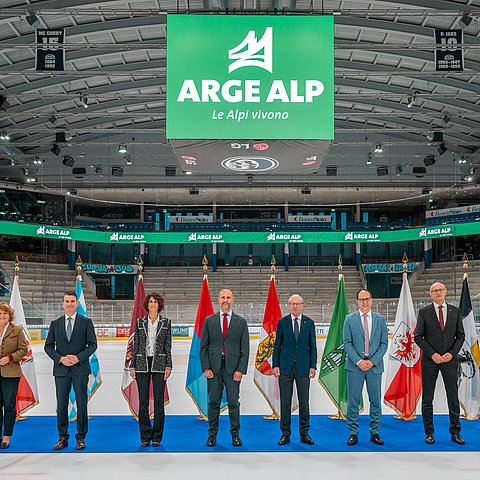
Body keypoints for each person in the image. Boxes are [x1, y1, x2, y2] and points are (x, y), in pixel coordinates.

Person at [44, 291, 97, 450]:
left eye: (72, 301)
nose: (69, 304)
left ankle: (81, 437)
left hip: (80, 369)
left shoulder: (86, 322)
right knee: (61, 405)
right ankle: (62, 437)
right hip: (61, 370)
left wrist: (78, 357)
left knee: (82, 404)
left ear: (77, 303)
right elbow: (48, 347)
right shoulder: (55, 323)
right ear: (62, 304)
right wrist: (60, 358)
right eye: (66, 301)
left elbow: (93, 345)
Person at [414, 282, 465, 445]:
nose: (438, 292)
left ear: (446, 291)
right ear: (430, 294)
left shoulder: (455, 312)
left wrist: (451, 353)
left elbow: (460, 336)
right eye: (434, 290)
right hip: (430, 361)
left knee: (453, 397)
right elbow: (418, 337)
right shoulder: (424, 312)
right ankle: (429, 433)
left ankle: (455, 432)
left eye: (440, 289)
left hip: (450, 361)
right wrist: (433, 354)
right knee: (428, 398)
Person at [200, 288, 249, 447]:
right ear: (218, 300)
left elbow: (245, 349)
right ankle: (212, 435)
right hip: (213, 369)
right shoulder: (209, 321)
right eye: (222, 297)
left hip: (233, 369)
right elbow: (203, 348)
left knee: (233, 403)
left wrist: (240, 370)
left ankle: (235, 434)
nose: (225, 300)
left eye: (228, 297)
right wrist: (206, 368)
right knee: (213, 402)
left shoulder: (241, 322)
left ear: (232, 300)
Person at [343, 289, 388, 446]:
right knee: (353, 401)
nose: (365, 302)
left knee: (375, 401)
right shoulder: (349, 319)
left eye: (367, 298)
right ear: (357, 301)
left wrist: (373, 361)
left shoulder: (380, 320)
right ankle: (353, 433)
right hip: (355, 367)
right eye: (361, 299)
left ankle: (374, 432)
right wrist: (359, 361)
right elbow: (347, 343)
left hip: (374, 367)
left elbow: (384, 344)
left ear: (372, 300)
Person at [272, 294, 317, 446]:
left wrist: (313, 366)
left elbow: (313, 347)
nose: (295, 306)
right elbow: (277, 346)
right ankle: (285, 433)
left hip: (303, 368)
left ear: (302, 305)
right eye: (292, 303)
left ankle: (304, 433)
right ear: (288, 305)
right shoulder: (282, 323)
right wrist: (275, 365)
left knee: (304, 402)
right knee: (285, 402)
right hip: (285, 368)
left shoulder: (309, 323)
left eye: (298, 303)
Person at [130, 292, 172, 447]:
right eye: (151, 301)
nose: (153, 304)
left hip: (159, 364)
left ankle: (157, 436)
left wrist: (169, 365)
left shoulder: (166, 322)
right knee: (143, 402)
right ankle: (145, 435)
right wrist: (132, 365)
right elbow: (136, 345)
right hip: (142, 363)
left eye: (155, 302)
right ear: (147, 305)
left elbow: (168, 345)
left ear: (159, 305)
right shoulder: (140, 322)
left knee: (159, 402)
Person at [0, 302, 27, 449]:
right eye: (0, 313)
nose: (2, 316)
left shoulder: (17, 330)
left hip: (11, 373)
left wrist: (9, 358)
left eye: (5, 313)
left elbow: (23, 349)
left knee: (9, 405)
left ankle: (6, 436)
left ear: (10, 315)